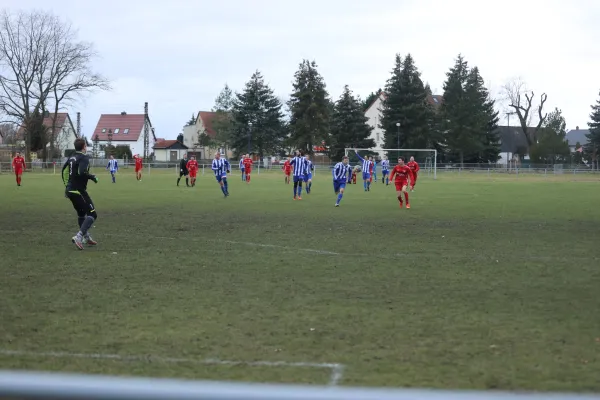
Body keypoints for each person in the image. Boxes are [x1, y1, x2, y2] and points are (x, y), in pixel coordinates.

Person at [61, 138, 99, 250]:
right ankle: (79, 237)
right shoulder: (84, 158)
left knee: (81, 214)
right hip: (79, 191)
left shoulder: (71, 157)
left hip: (70, 190)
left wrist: (67, 187)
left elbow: (64, 171)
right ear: (84, 147)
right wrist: (93, 177)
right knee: (92, 214)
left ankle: (86, 237)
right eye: (86, 146)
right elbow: (81, 172)